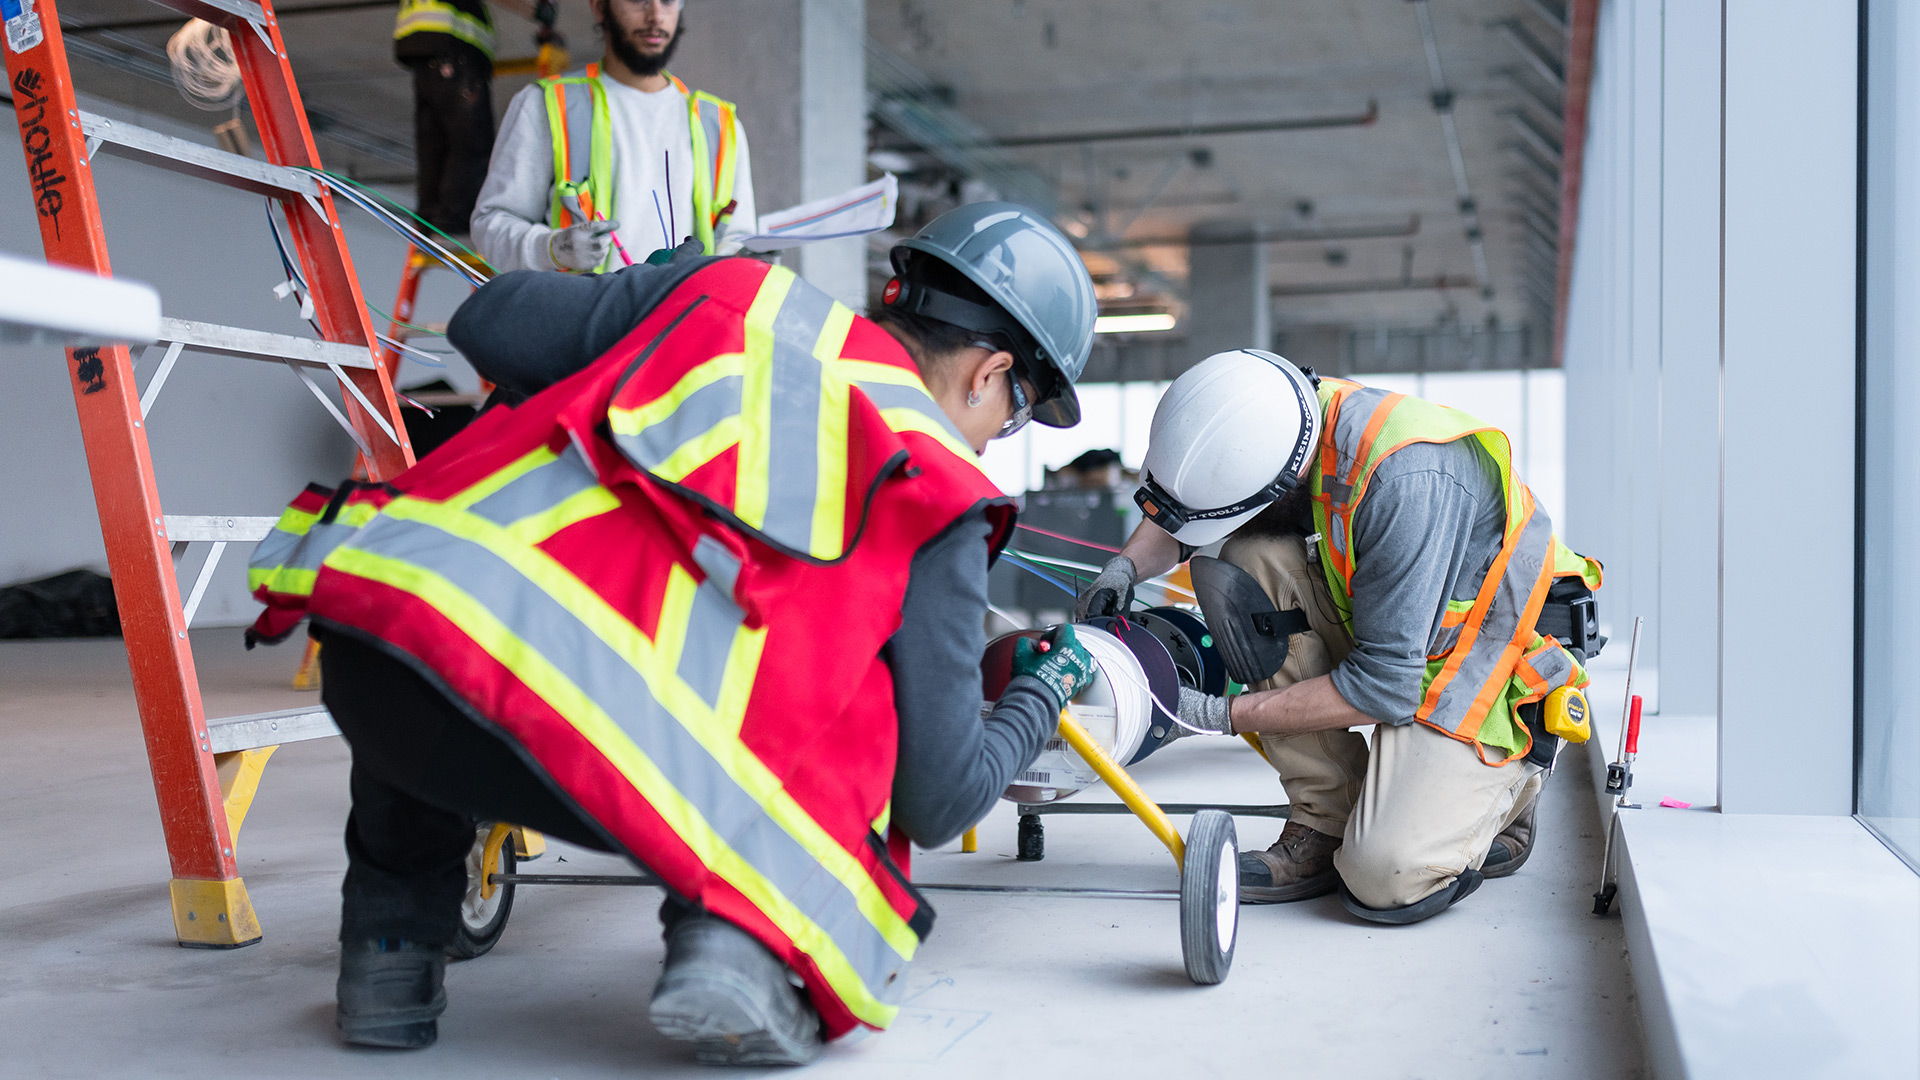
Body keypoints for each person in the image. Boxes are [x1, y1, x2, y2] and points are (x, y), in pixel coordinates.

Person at [244, 203, 1100, 1064]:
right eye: (1016, 415)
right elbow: (938, 797)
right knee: (862, 694)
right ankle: (735, 946)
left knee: (464, 587)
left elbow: (489, 320)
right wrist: (1040, 694)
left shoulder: (730, 296)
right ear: (989, 374)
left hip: (391, 671)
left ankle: (388, 954)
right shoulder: (937, 485)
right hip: (628, 764)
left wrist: (646, 301)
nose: (994, 442)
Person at [1077, 349, 1604, 925]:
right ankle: (1325, 818)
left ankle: (1509, 790)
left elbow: (1383, 688)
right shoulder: (1279, 418)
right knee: (1251, 558)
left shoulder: (1406, 478)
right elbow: (1190, 509)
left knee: (1386, 876)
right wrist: (1124, 568)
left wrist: (1214, 714)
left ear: (1282, 479)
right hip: (1403, 632)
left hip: (1491, 660)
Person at [471, 0, 758, 271]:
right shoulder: (546, 105)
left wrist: (752, 261)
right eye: (638, 0)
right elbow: (490, 225)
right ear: (599, 6)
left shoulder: (718, 122)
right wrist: (552, 248)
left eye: (668, 0)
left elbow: (735, 240)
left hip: (685, 321)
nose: (656, 15)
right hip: (583, 320)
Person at [393, 0, 540, 236]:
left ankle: (429, 220)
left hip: (425, 49)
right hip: (453, 46)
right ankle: (455, 221)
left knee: (434, 144)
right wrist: (535, 9)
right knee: (472, 142)